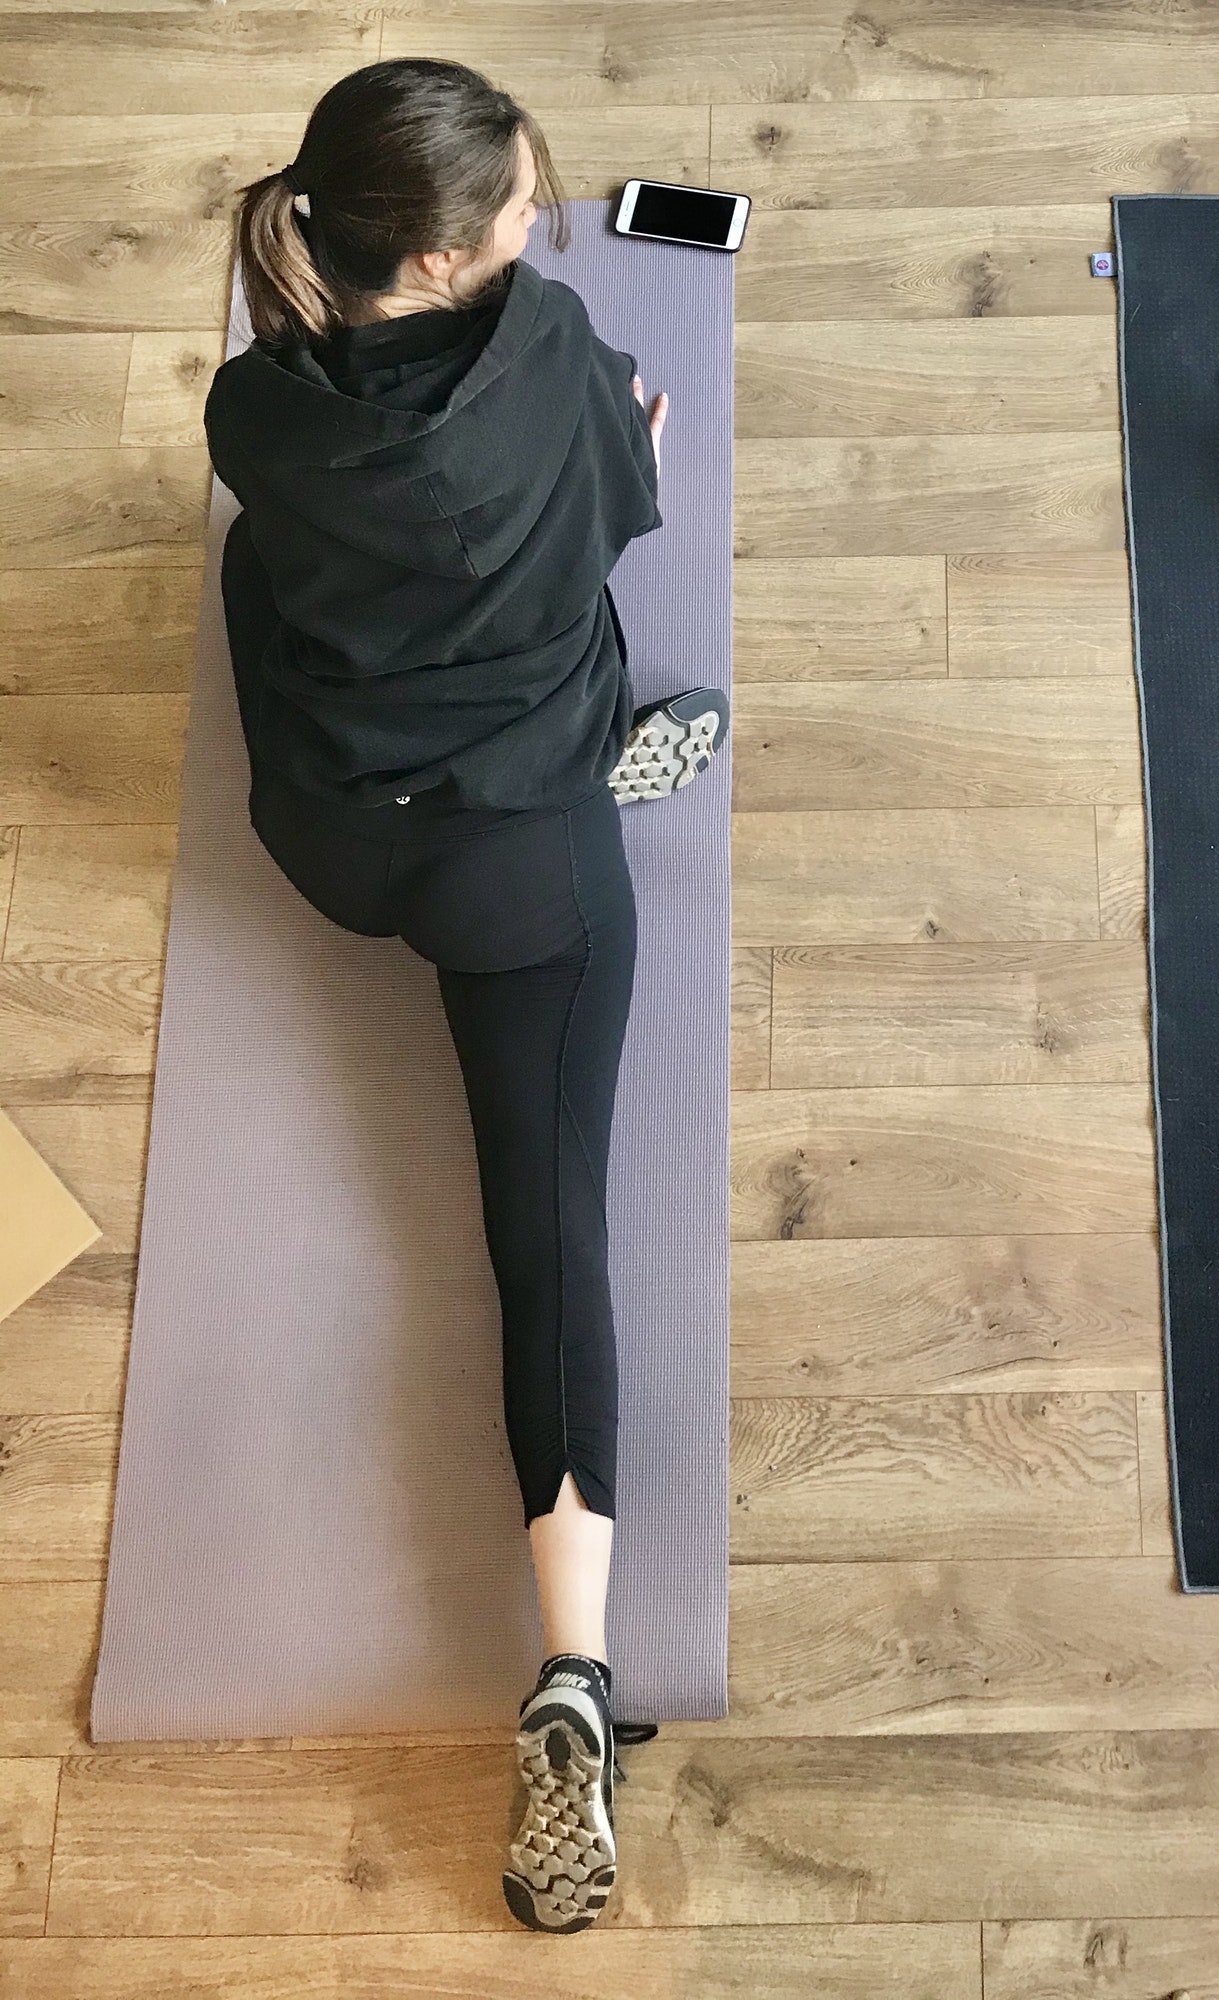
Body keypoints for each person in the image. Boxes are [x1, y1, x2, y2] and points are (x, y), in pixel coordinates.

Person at [204, 56, 723, 1935]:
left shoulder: (255, 403)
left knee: (282, 583)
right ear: (434, 257)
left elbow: (295, 555)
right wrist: (627, 452)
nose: (542, 224)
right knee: (544, 1225)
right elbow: (621, 513)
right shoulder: (559, 360)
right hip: (520, 871)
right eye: (515, 207)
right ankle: (571, 1667)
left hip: (340, 842)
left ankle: (583, 756)